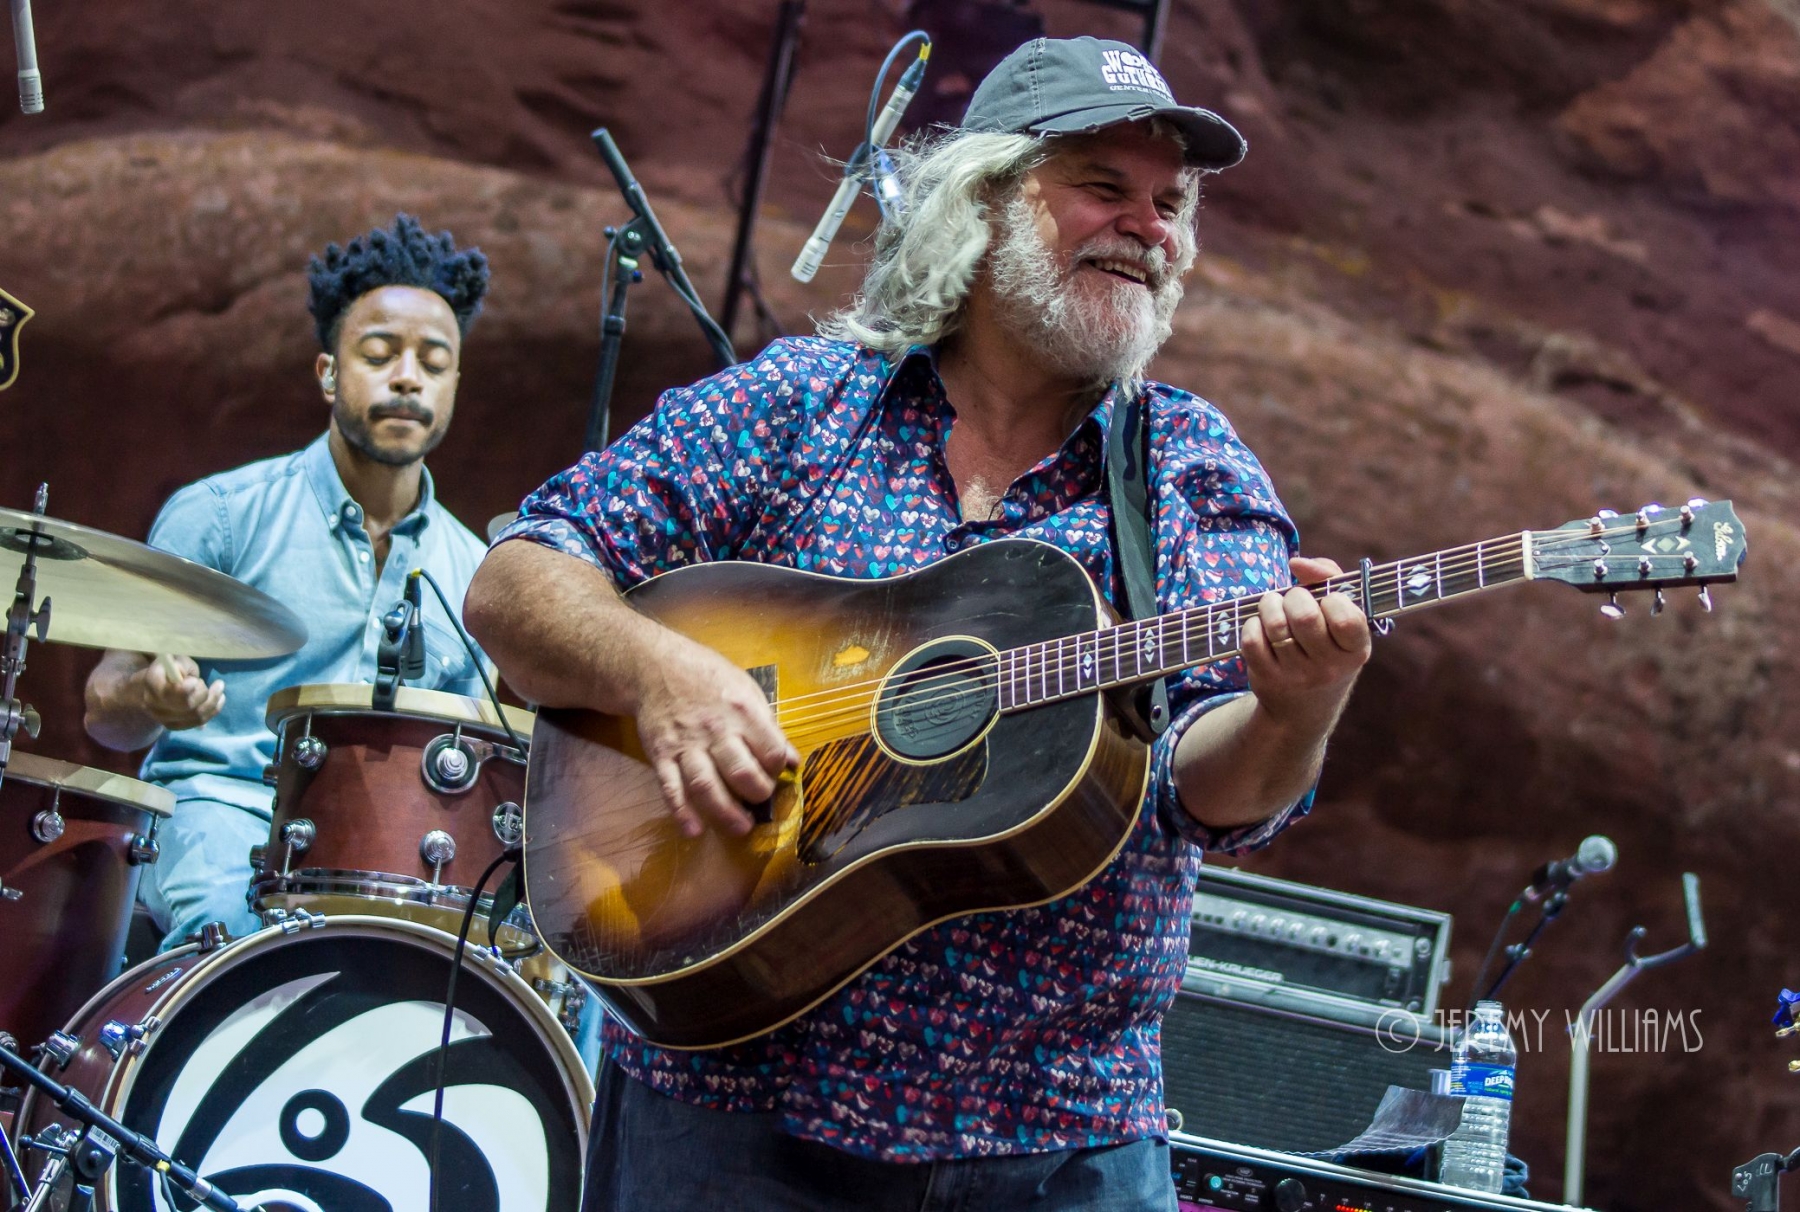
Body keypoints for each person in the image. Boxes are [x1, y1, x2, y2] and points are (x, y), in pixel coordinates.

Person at [467, 36, 1372, 1212]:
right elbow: (518, 581)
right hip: (730, 1099)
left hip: (1059, 1134)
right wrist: (658, 673)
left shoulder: (1187, 464)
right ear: (982, 201)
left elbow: (1214, 791)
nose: (1149, 227)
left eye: (1170, 203)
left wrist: (1298, 706)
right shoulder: (802, 404)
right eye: (1103, 186)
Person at [85, 214, 494, 951]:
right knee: (241, 932)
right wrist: (149, 698)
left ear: (455, 385)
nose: (408, 376)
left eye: (434, 363)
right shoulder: (222, 517)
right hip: (217, 810)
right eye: (380, 354)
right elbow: (103, 713)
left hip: (380, 855)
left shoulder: (474, 572)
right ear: (329, 373)